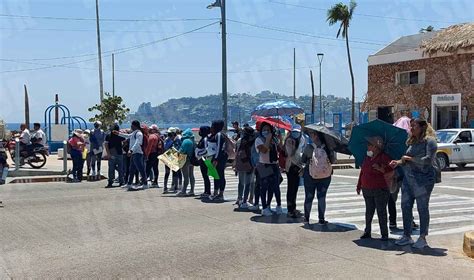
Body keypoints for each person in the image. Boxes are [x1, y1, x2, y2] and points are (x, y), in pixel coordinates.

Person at [390, 119, 438, 249]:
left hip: (424, 180)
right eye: (410, 126)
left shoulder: (430, 141)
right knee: (405, 206)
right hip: (408, 179)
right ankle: (407, 236)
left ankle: (422, 237)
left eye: (414, 126)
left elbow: (428, 160)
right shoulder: (412, 141)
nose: (411, 128)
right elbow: (406, 159)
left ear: (423, 127)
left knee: (422, 208)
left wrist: (410, 159)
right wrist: (398, 162)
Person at [356, 136, 393, 241]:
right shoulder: (367, 157)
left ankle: (384, 234)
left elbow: (391, 169)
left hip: (380, 189)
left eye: (369, 145)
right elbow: (363, 171)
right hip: (367, 188)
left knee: (381, 212)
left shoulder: (384, 157)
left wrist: (381, 168)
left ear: (376, 147)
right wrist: (359, 185)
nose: (367, 147)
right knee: (369, 211)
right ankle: (367, 231)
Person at [301, 130, 335, 225]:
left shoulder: (309, 147)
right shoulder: (328, 147)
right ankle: (321, 219)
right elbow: (333, 160)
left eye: (312, 134)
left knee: (309, 196)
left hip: (310, 175)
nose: (310, 135)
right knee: (321, 197)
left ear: (315, 136)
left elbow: (303, 160)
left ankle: (306, 218)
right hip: (325, 176)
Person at [255, 122, 282, 216]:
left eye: (268, 129)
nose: (266, 131)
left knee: (274, 187)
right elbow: (264, 150)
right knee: (264, 187)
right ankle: (264, 207)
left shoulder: (273, 139)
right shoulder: (259, 139)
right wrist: (267, 139)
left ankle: (271, 205)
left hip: (274, 165)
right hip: (264, 165)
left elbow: (280, 149)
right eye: (264, 129)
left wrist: (279, 139)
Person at [114, 120, 148, 191]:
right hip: (134, 154)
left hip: (137, 153)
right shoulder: (134, 133)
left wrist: (131, 150)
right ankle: (129, 184)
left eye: (131, 125)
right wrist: (118, 134)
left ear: (134, 125)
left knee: (141, 169)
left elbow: (138, 143)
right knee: (131, 169)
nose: (131, 126)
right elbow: (127, 136)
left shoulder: (139, 133)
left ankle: (145, 184)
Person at [284, 125, 306, 218]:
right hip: (291, 167)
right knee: (291, 189)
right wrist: (294, 145)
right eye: (294, 132)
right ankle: (290, 209)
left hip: (298, 166)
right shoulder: (289, 141)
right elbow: (290, 154)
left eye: (298, 132)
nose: (296, 134)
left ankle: (293, 207)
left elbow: (302, 150)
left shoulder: (301, 139)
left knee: (295, 189)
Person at [234, 126, 256, 208]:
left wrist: (235, 163)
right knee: (248, 183)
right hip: (249, 164)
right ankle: (245, 201)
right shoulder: (252, 142)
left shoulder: (240, 141)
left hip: (241, 164)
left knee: (241, 182)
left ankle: (239, 198)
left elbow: (236, 152)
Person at [208, 120, 229, 201]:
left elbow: (219, 148)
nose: (211, 127)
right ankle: (216, 193)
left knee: (220, 175)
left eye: (213, 126)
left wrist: (216, 159)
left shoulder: (219, 135)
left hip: (220, 158)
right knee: (216, 175)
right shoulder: (216, 134)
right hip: (217, 157)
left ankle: (221, 193)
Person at [177, 129, 196, 196]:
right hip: (192, 160)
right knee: (191, 175)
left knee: (185, 176)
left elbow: (181, 151)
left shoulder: (185, 141)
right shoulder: (193, 141)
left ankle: (184, 191)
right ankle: (192, 190)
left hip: (185, 159)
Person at [105, 124, 125, 188]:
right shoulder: (119, 135)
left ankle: (111, 182)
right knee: (120, 168)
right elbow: (125, 141)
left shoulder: (108, 135)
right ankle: (121, 182)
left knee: (111, 168)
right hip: (119, 152)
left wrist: (108, 153)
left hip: (112, 152)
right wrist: (122, 147)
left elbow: (106, 145)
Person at [163, 127, 182, 193]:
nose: (169, 135)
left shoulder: (178, 140)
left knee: (175, 172)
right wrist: (171, 141)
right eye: (169, 134)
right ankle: (165, 188)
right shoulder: (167, 140)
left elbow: (179, 148)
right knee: (167, 172)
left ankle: (175, 187)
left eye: (171, 134)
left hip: (174, 157)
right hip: (168, 156)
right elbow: (165, 147)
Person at [196, 126, 211, 198]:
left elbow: (206, 149)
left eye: (200, 130)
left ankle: (208, 191)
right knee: (205, 176)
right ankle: (206, 191)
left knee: (205, 176)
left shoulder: (205, 139)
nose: (199, 132)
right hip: (202, 159)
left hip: (205, 159)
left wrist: (199, 154)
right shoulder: (204, 139)